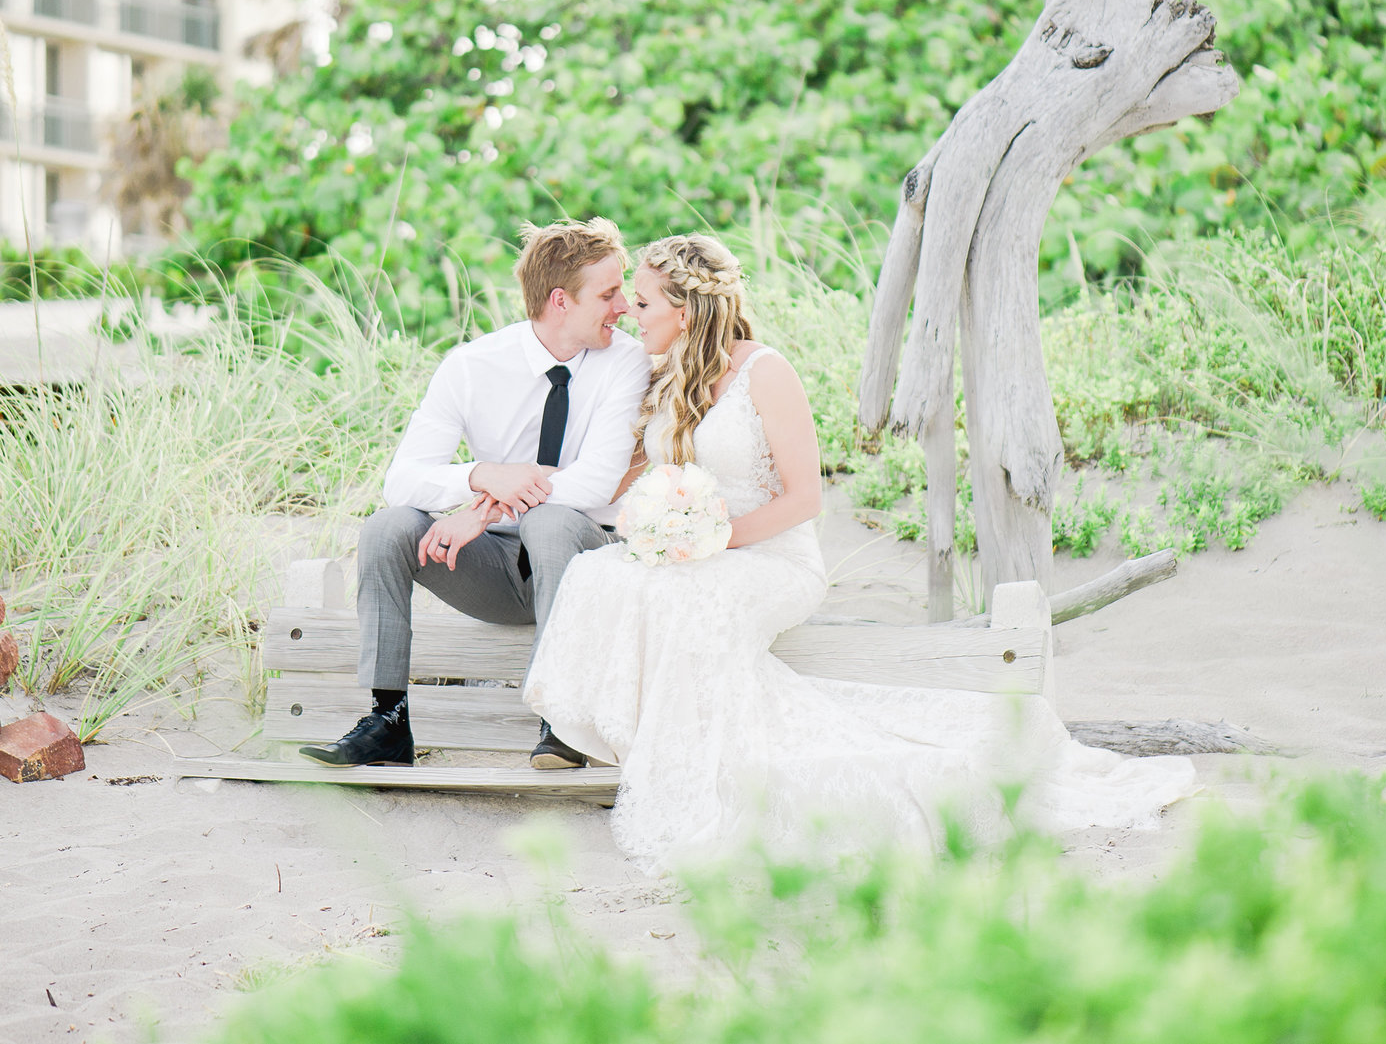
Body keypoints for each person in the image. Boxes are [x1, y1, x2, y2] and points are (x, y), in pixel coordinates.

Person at [524, 234, 1196, 872]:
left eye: (640, 302)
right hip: (702, 553)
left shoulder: (766, 372)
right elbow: (619, 478)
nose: (628, 313)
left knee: (685, 596)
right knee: (599, 572)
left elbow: (803, 501)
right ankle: (618, 742)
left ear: (685, 305)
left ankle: (699, 771)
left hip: (771, 559)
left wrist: (713, 538)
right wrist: (579, 507)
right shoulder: (662, 375)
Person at [301, 217, 652, 768]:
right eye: (609, 293)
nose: (625, 305)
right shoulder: (471, 365)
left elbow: (597, 480)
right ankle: (386, 720)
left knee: (551, 520)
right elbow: (403, 479)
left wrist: (481, 510)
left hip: (584, 562)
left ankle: (561, 721)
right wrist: (480, 473)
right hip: (497, 576)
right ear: (560, 301)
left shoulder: (626, 360)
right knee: (387, 527)